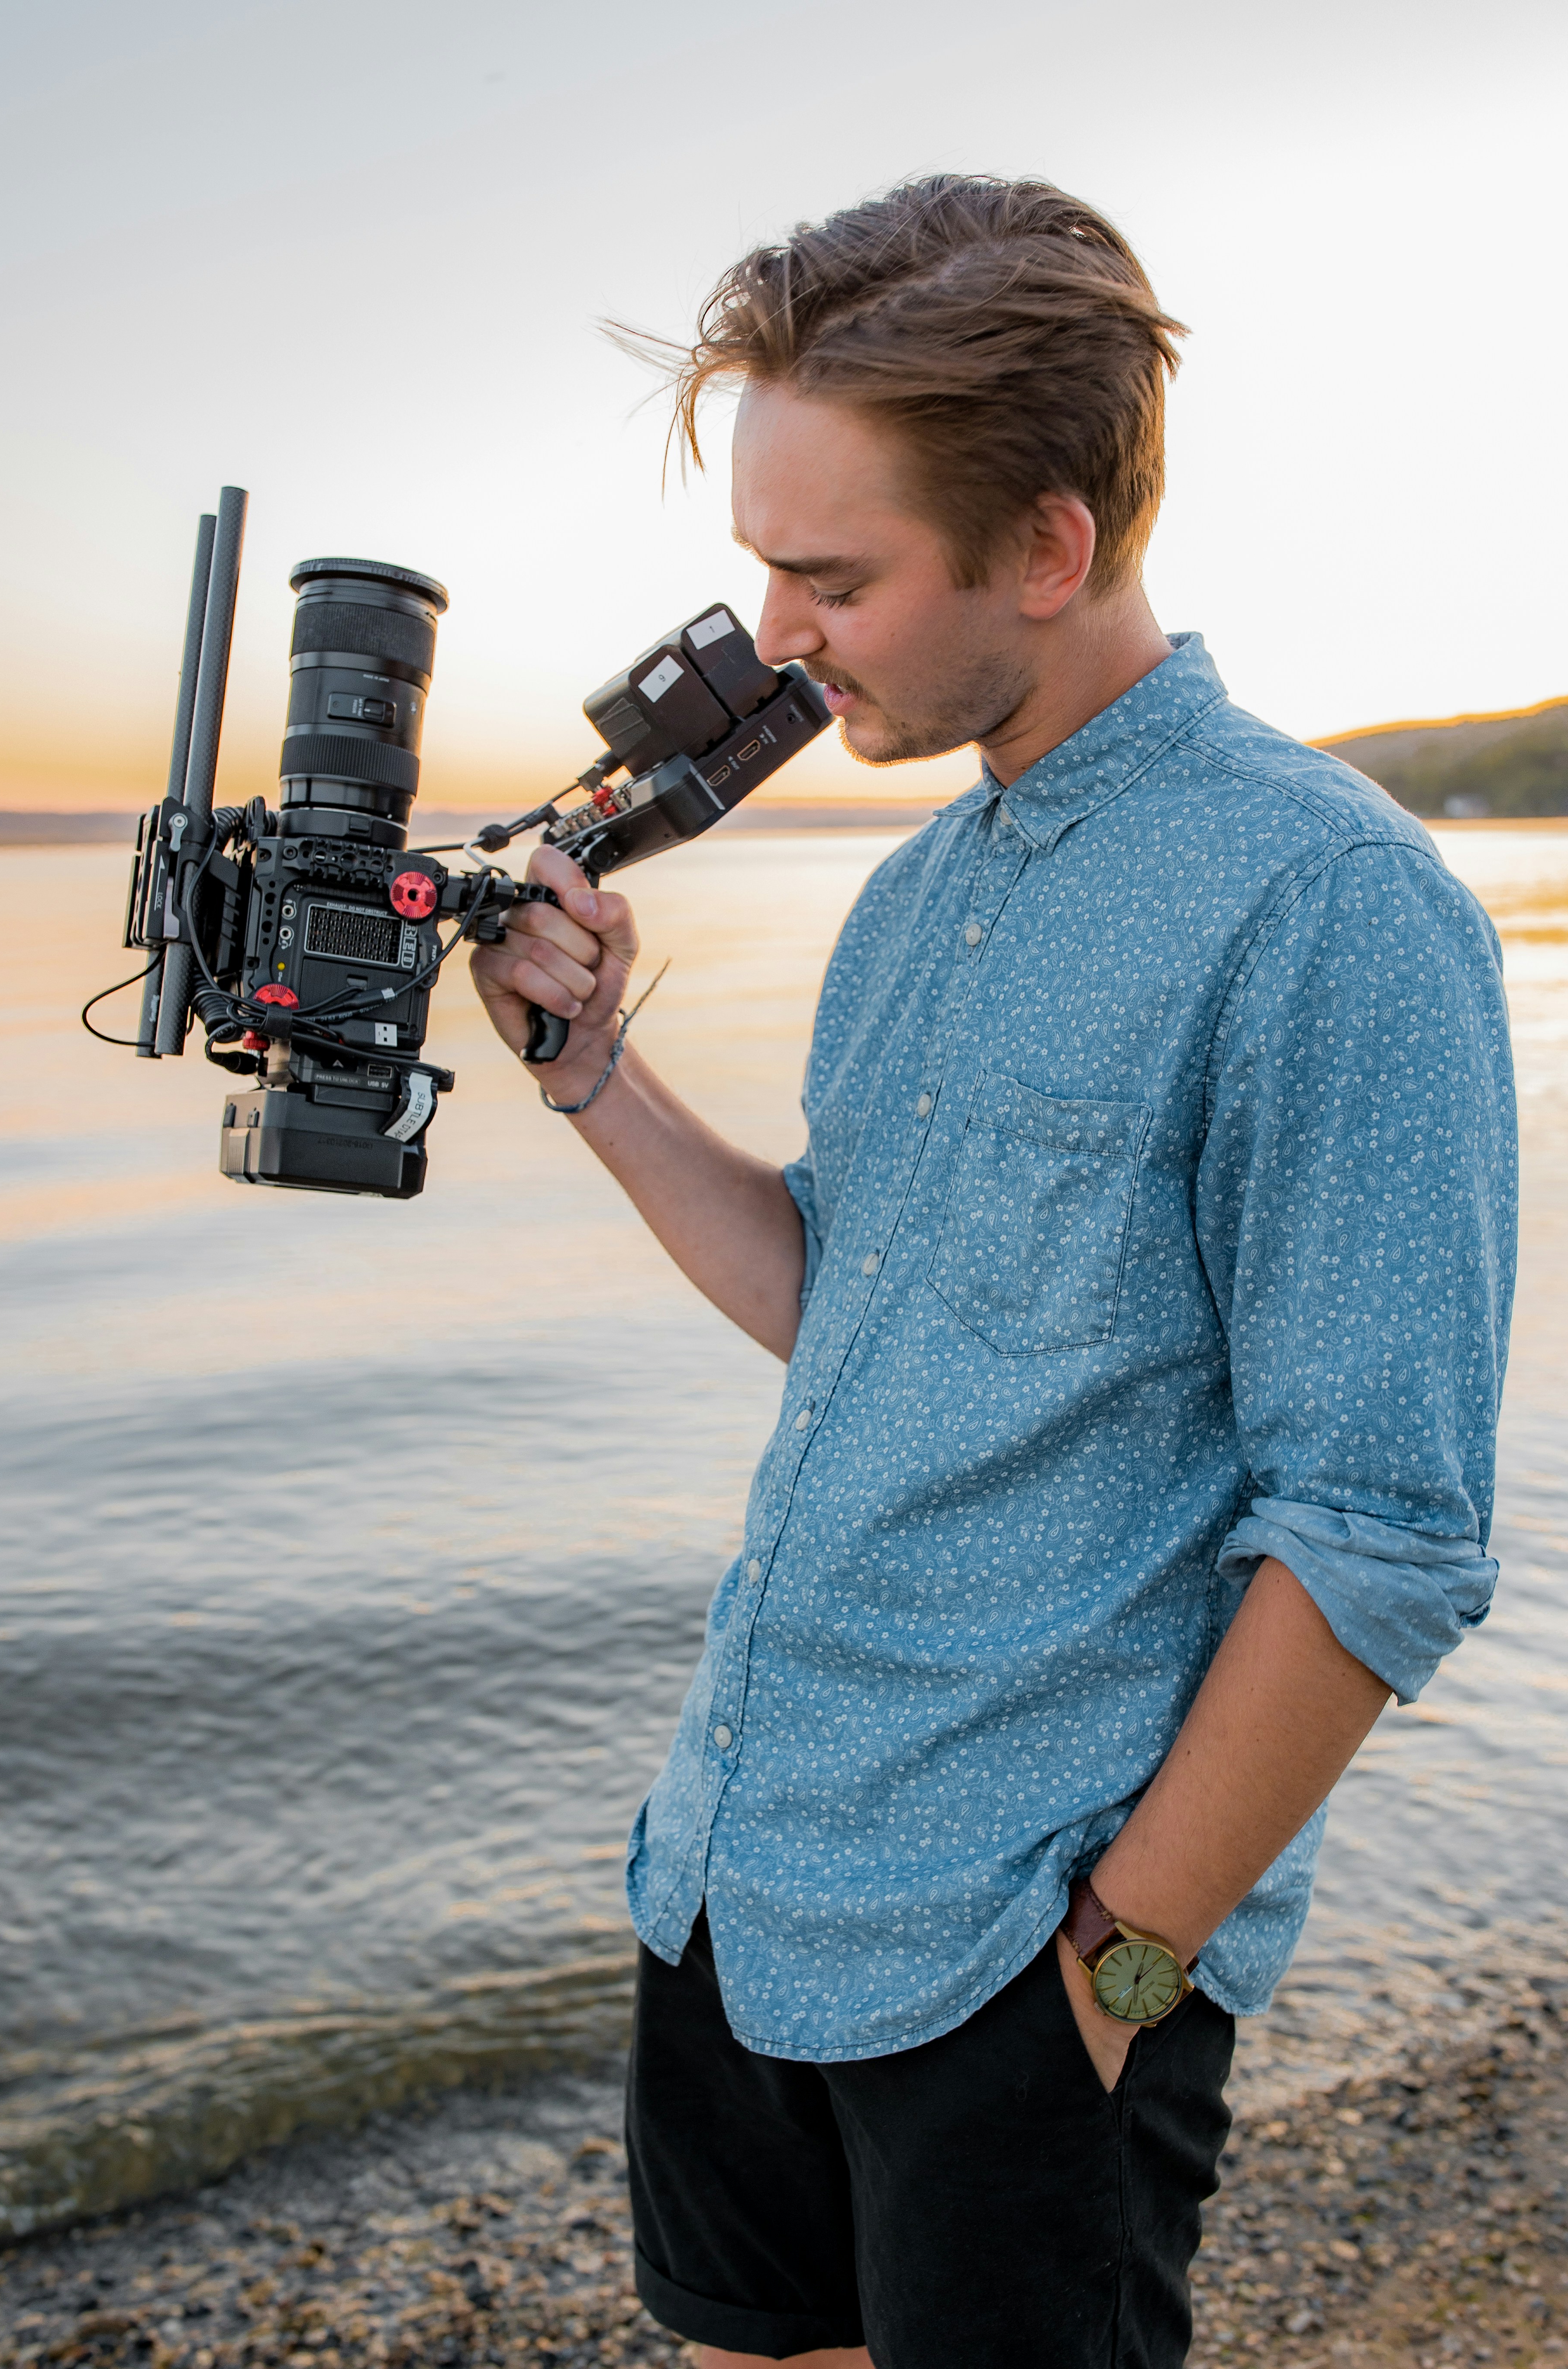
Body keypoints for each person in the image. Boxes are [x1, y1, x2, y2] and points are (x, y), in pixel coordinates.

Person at [470, 176, 1516, 2369]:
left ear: (1048, 545)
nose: (767, 635)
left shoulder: (1334, 912)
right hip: (743, 1875)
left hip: (1019, 1958)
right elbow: (847, 1308)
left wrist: (1123, 1971)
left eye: (831, 577)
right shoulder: (911, 890)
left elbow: (1385, 1535)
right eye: (763, 563)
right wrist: (597, 1078)